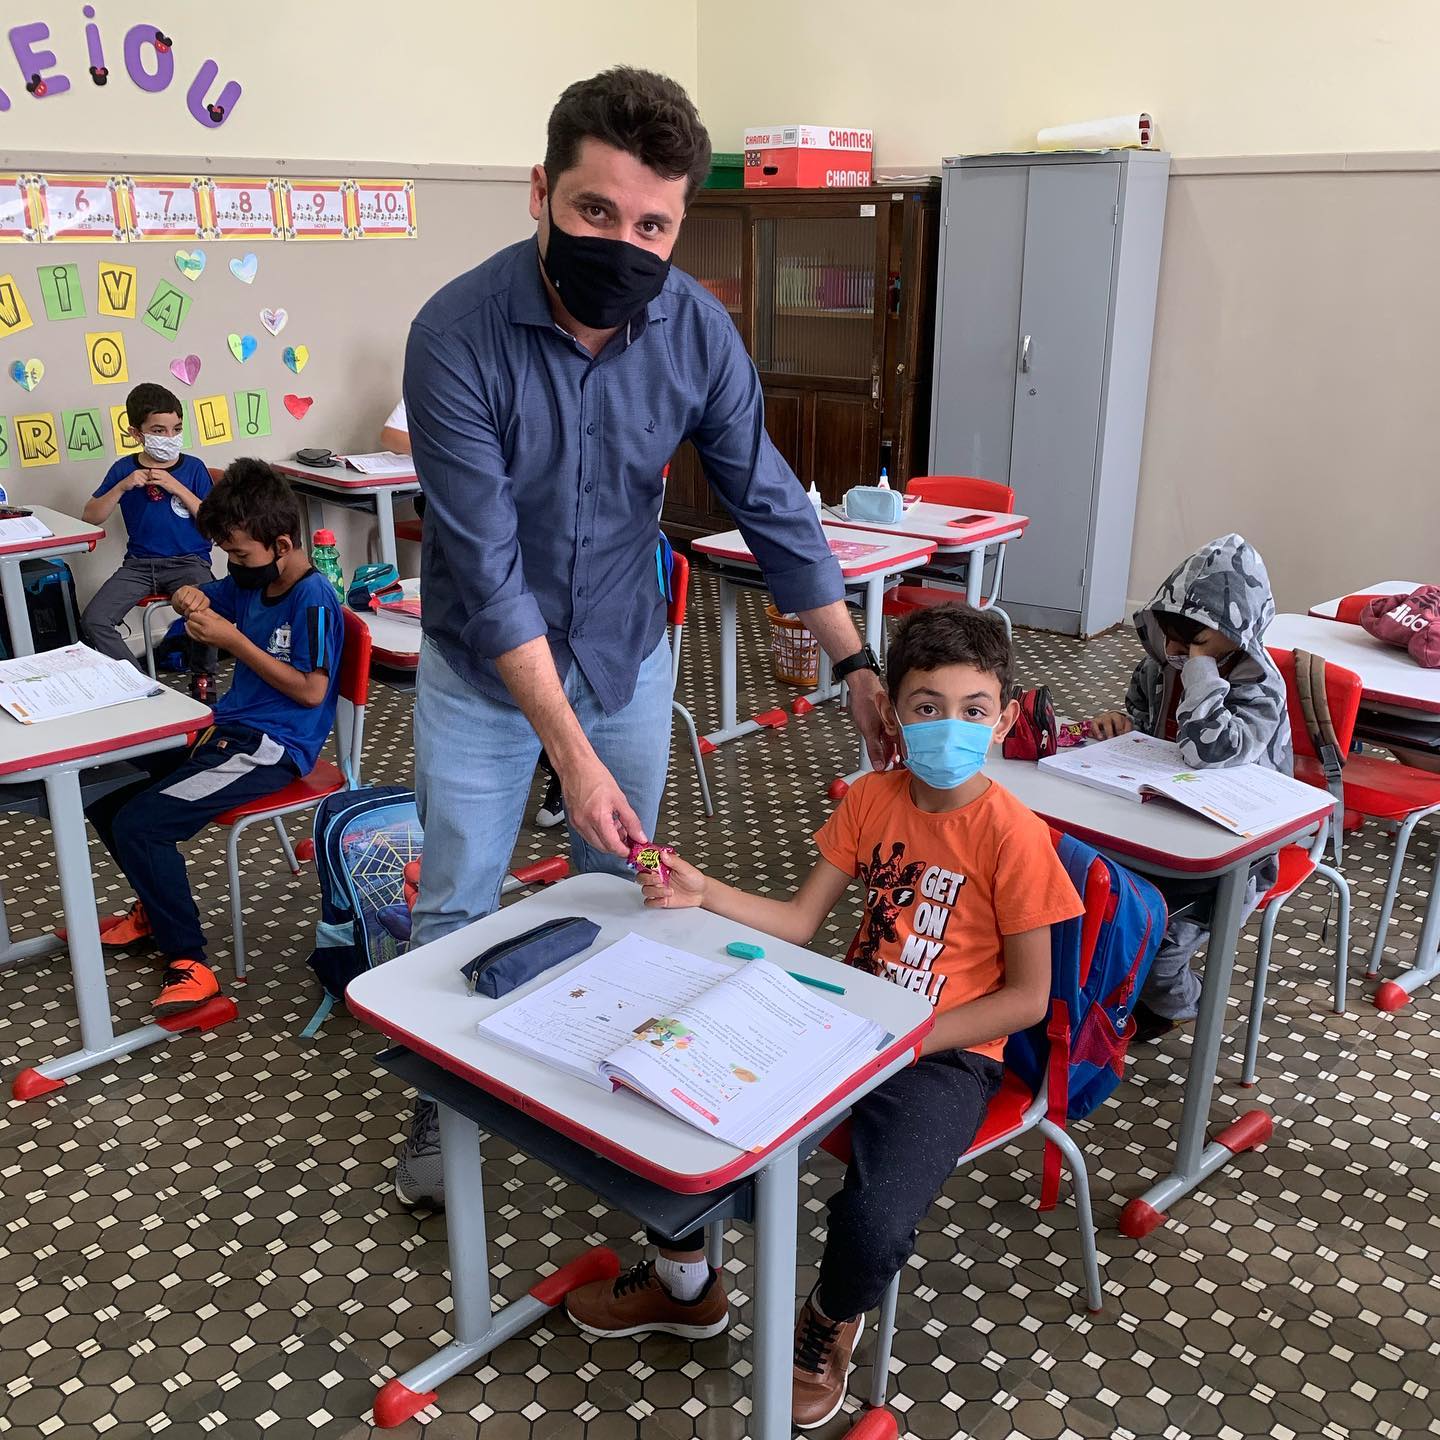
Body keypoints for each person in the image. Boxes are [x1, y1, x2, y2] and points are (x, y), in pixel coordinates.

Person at [396, 68, 892, 1207]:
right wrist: (566, 755)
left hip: (623, 647)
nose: (624, 243)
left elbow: (766, 499)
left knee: (621, 883)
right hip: (486, 665)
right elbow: (488, 568)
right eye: (596, 213)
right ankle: (439, 1090)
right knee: (460, 894)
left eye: (653, 224)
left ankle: (591, 1070)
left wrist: (855, 659)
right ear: (542, 193)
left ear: (679, 225)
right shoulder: (456, 335)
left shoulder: (695, 331)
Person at [564, 604, 1082, 1429]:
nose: (949, 726)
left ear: (1006, 717)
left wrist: (904, 1040)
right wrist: (705, 893)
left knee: (875, 1221)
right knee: (672, 1101)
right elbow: (801, 922)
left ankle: (829, 1320)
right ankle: (685, 1285)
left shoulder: (1015, 838)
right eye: (925, 707)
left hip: (946, 1051)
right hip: (840, 1021)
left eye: (973, 711)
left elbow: (1025, 1000)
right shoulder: (874, 799)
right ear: (894, 713)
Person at [83, 460, 344, 1016]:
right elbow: (209, 597)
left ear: (281, 543)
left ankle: (192, 965)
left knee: (141, 824)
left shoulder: (314, 599)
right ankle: (155, 910)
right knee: (106, 801)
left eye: (242, 556)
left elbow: (311, 693)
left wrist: (235, 642)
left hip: (272, 749)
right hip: (224, 731)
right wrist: (188, 599)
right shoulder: (251, 578)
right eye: (227, 555)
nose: (234, 566)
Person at [1088, 533, 1293, 1042]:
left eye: (1196, 641)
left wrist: (1202, 672)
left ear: (1236, 636)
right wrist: (1121, 725)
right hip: (1155, 821)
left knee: (1164, 948)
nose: (1179, 650)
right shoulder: (1160, 665)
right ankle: (1114, 993)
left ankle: (1183, 1002)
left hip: (1237, 851)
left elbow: (1211, 751)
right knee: (1100, 906)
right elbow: (1142, 733)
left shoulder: (1261, 686)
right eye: (1172, 636)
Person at [380, 397, 566, 829]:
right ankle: (561, 772)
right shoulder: (451, 380)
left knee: (631, 853)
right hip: (487, 627)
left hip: (567, 609)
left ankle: (567, 776)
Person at [81, 382, 219, 701]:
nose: (169, 437)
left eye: (176, 429)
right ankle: (140, 683)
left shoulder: (194, 468)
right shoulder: (123, 468)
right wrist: (122, 487)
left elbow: (213, 526)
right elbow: (91, 516)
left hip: (189, 561)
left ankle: (204, 678)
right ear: (137, 433)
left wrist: (177, 488)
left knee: (205, 607)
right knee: (94, 619)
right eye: (159, 430)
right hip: (139, 566)